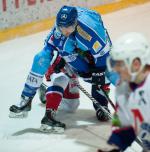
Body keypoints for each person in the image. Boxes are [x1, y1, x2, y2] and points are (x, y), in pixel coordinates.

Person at [9, 5, 113, 133]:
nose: (64, 31)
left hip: (85, 60)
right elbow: (43, 57)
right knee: (65, 90)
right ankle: (44, 112)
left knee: (107, 73)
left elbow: (104, 55)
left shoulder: (90, 31)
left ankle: (101, 104)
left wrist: (99, 70)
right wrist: (26, 96)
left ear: (75, 24)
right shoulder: (59, 33)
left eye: (68, 28)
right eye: (61, 27)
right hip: (69, 61)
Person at [98, 32, 150, 152]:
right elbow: (125, 128)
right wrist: (113, 147)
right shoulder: (123, 89)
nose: (115, 69)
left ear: (136, 64)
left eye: (120, 64)